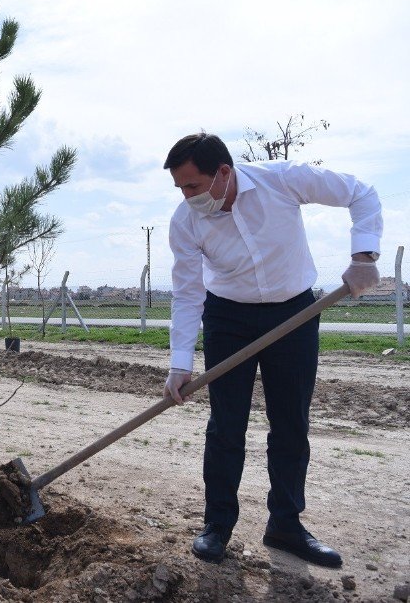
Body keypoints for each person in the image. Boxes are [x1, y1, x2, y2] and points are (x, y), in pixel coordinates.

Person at [163, 132, 382, 568]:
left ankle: (286, 525)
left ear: (224, 172)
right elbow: (188, 294)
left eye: (193, 185)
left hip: (294, 314)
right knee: (226, 427)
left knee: (290, 424)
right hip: (228, 318)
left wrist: (364, 255)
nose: (187, 197)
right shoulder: (184, 222)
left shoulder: (282, 179)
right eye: (180, 189)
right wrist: (179, 363)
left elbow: (361, 192)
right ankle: (217, 526)